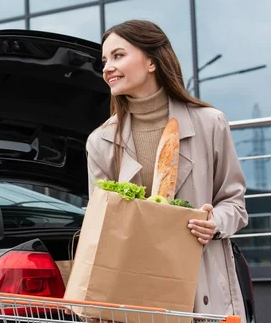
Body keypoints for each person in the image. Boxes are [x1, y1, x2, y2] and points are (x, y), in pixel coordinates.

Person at [86, 19, 249, 321]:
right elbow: (100, 225)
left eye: (118, 56)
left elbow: (235, 203)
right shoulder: (101, 141)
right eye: (105, 60)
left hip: (201, 288)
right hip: (133, 292)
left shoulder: (210, 123)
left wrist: (214, 223)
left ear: (151, 61)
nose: (107, 67)